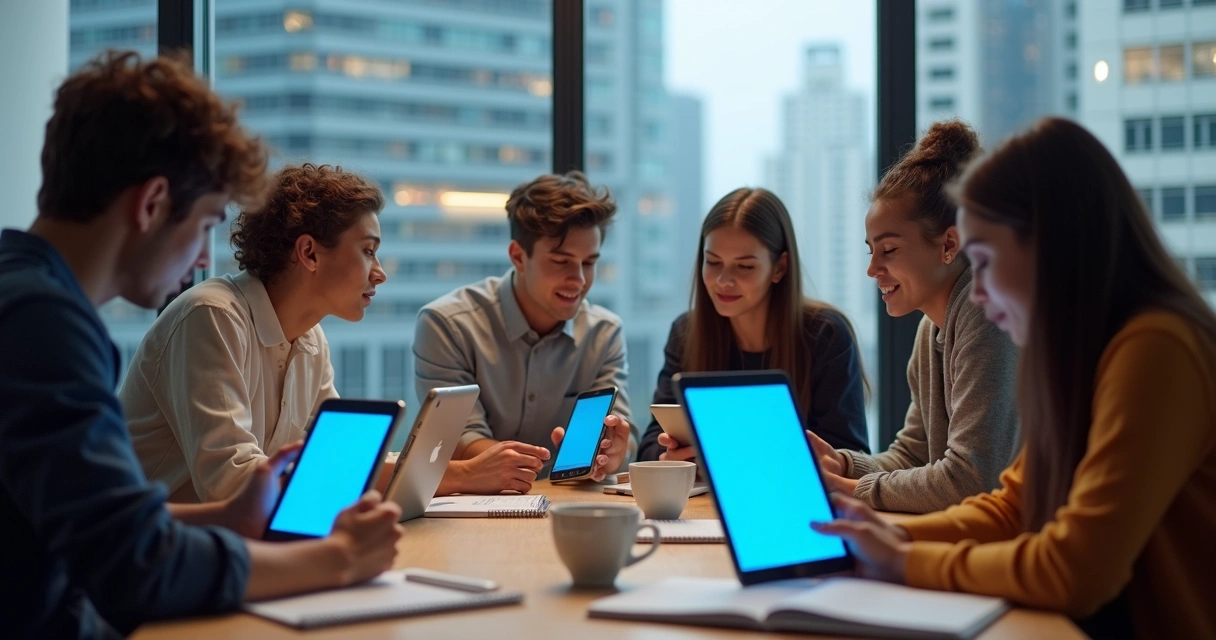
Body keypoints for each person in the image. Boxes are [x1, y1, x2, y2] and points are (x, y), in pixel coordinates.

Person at [0, 51, 402, 638]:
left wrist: (230, 516)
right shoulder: (43, 323)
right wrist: (337, 561)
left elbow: (96, 522)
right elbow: (132, 562)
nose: (204, 258)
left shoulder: (25, 295)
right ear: (152, 204)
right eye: (207, 223)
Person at [813, 118, 1216, 639]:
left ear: (1049, 247)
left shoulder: (1156, 349)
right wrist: (891, 539)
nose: (978, 293)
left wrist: (906, 561)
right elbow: (1012, 508)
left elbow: (1075, 569)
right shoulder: (1077, 355)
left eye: (984, 260)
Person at [121, 163, 387, 503]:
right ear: (309, 253)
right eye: (368, 251)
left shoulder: (310, 339)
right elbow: (229, 482)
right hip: (153, 534)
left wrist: (447, 474)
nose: (380, 274)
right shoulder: (212, 316)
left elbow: (337, 458)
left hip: (232, 531)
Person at [806, 120, 1020, 513]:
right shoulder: (931, 329)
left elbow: (971, 479)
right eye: (870, 250)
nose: (872, 269)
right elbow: (914, 456)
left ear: (948, 244)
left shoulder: (987, 315)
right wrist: (844, 465)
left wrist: (852, 489)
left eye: (888, 250)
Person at [414, 171, 634, 495]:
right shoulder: (447, 324)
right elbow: (457, 440)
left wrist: (612, 453)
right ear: (518, 256)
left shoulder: (604, 332)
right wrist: (518, 467)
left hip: (569, 503)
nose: (579, 279)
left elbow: (621, 433)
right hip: (475, 508)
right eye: (561, 261)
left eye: (589, 263)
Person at [639, 188, 869, 462]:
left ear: (779, 267)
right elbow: (650, 444)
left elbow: (849, 456)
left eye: (744, 267)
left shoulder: (825, 334)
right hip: (701, 491)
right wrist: (669, 455)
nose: (723, 281)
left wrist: (734, 459)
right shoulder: (686, 332)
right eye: (713, 262)